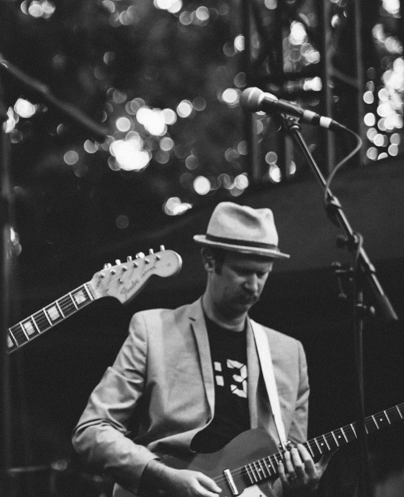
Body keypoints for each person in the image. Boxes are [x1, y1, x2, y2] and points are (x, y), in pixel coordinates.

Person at [72, 202, 327, 496]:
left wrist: (302, 486)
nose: (254, 286)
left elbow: (284, 478)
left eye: (263, 273)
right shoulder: (153, 330)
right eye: (243, 272)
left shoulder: (289, 354)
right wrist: (162, 476)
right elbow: (91, 431)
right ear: (209, 261)